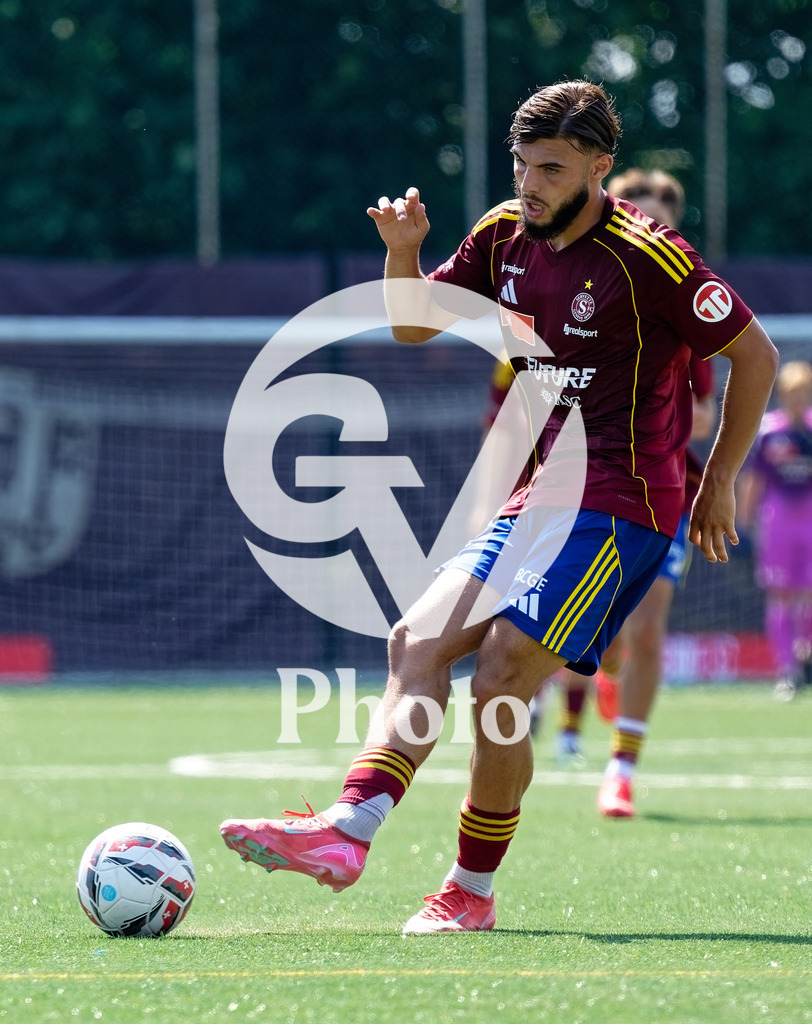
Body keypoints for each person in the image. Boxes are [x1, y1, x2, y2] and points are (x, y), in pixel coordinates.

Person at [220, 80, 778, 934]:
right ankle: (348, 830)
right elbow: (413, 325)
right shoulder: (500, 234)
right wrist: (403, 253)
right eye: (521, 164)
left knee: (504, 673)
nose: (531, 183)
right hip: (540, 494)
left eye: (551, 167)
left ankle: (468, 891)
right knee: (416, 639)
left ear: (601, 166)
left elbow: (757, 355)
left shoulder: (653, 257)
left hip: (628, 502)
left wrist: (715, 483)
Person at [551, 167, 718, 820]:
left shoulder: (687, 305)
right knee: (598, 637)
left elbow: (705, 411)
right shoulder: (577, 296)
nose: (651, 234)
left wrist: (658, 414)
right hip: (590, 489)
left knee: (647, 629)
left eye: (662, 222)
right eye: (638, 218)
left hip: (665, 491)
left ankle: (622, 768)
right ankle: (587, 699)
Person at [738, 360, 812, 700]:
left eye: (805, 392)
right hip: (779, 523)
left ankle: (804, 654)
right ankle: (786, 669)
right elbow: (755, 479)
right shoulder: (770, 431)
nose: (799, 399)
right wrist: (743, 520)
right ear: (782, 394)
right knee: (781, 594)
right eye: (793, 392)